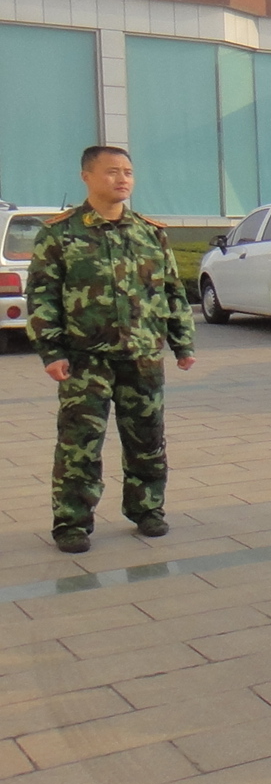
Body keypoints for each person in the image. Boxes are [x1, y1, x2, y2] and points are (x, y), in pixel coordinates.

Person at [27, 144, 196, 554]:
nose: (122, 179)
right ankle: (72, 522)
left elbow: (171, 291)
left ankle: (147, 509)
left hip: (142, 356)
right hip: (85, 359)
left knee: (147, 439)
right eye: (112, 171)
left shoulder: (150, 232)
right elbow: (42, 295)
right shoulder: (60, 233)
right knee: (79, 443)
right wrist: (52, 351)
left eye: (128, 172)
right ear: (86, 176)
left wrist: (182, 342)